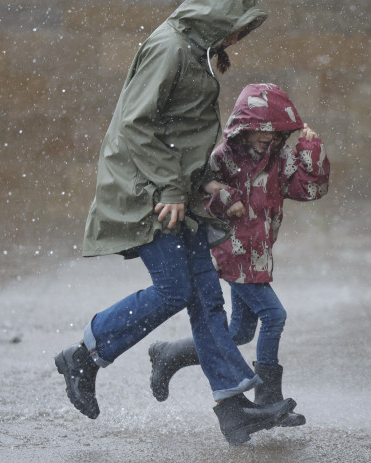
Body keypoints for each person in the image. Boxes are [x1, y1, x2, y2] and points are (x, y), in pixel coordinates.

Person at [53, 1, 297, 446]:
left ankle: (234, 409)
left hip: (176, 197)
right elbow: (137, 124)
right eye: (237, 29)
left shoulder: (195, 50)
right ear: (216, 18)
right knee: (175, 290)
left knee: (206, 299)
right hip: (146, 193)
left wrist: (203, 184)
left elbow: (181, 135)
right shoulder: (170, 47)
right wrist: (169, 187)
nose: (237, 39)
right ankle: (84, 354)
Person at [148, 83, 330, 427]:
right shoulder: (224, 157)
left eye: (277, 133)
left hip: (257, 256)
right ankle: (269, 398)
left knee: (240, 333)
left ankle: (169, 354)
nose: (270, 139)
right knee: (274, 316)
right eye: (263, 131)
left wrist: (311, 149)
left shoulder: (280, 159)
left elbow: (310, 189)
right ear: (245, 127)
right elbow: (199, 193)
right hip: (230, 251)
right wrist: (224, 198)